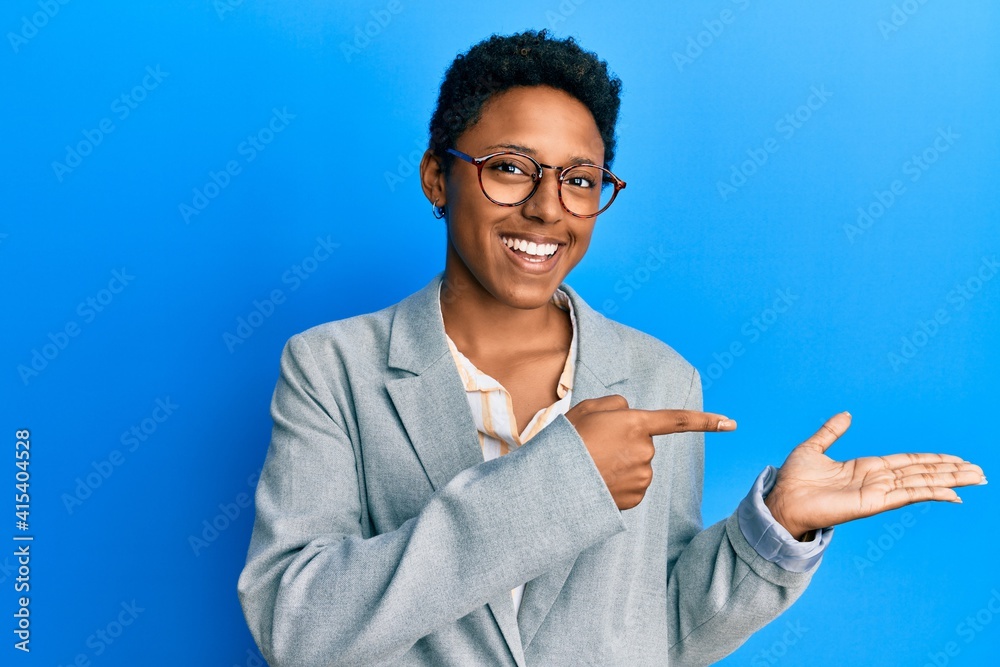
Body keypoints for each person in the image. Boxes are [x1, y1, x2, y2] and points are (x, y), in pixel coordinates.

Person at [237, 29, 986, 666]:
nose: (546, 208)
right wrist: (562, 479)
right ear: (439, 176)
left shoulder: (662, 377)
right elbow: (296, 622)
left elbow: (664, 628)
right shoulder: (331, 366)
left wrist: (774, 529)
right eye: (508, 168)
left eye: (581, 179)